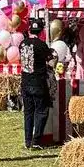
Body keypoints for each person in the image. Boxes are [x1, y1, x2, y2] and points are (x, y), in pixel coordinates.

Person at [20, 18, 55, 149]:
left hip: (25, 81)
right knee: (41, 111)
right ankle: (36, 141)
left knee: (28, 112)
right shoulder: (42, 45)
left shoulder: (22, 44)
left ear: (30, 29)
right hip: (38, 82)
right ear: (40, 31)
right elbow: (50, 62)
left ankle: (27, 141)